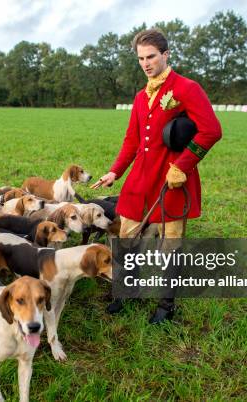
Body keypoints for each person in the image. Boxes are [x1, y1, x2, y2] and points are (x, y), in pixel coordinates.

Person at [92, 28, 222, 324]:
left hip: (172, 182)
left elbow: (212, 130)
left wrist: (183, 166)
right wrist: (115, 171)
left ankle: (166, 305)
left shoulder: (187, 88)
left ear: (166, 54)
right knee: (128, 237)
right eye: (141, 58)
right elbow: (132, 140)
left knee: (170, 244)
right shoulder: (140, 97)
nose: (146, 63)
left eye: (151, 56)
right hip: (140, 179)